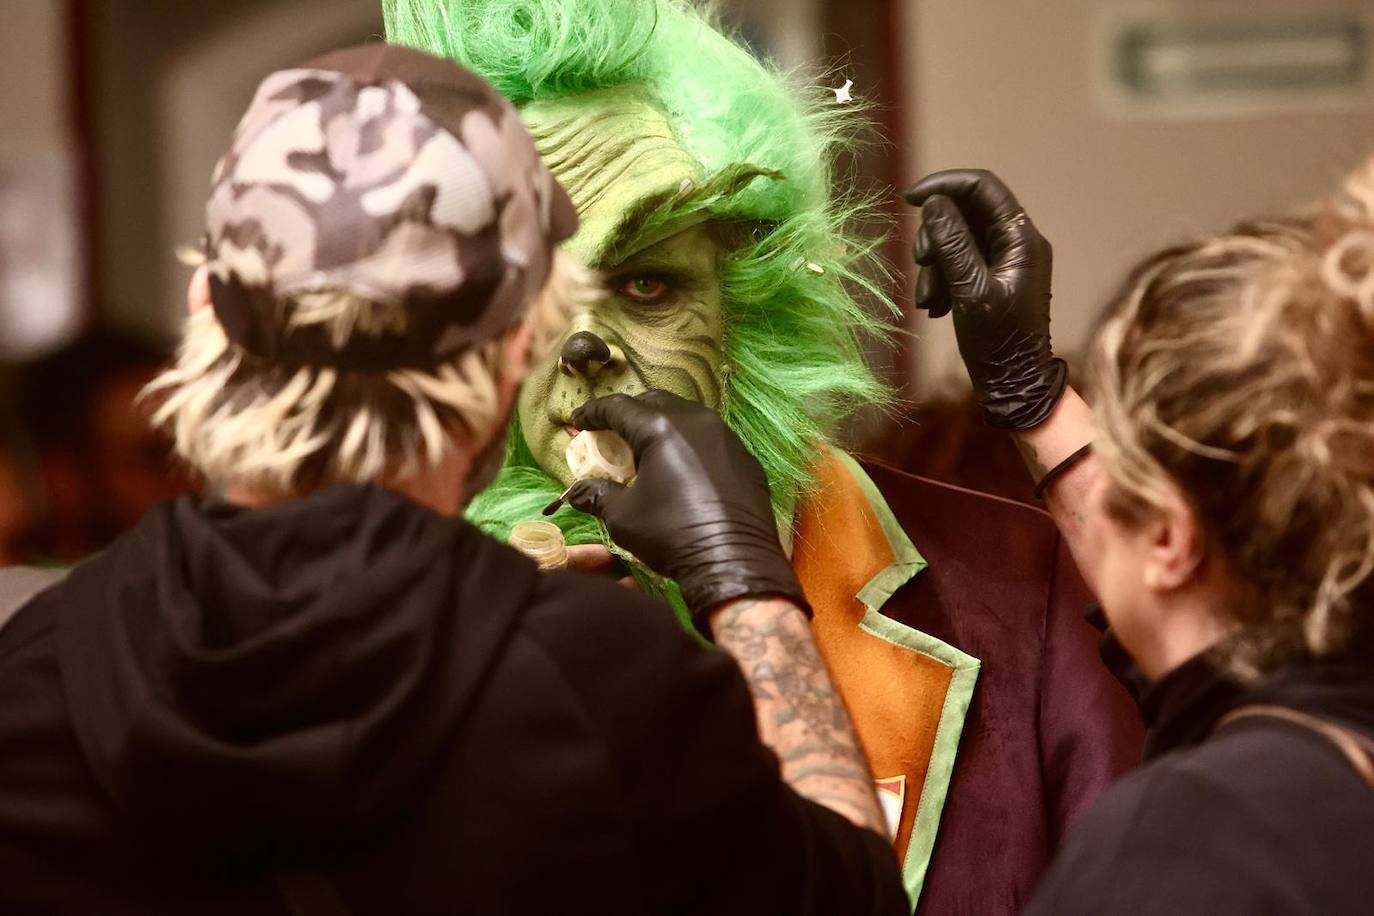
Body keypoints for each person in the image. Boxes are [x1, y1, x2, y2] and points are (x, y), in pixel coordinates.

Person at [0, 44, 908, 914]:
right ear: (516, 346)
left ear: (209, 314)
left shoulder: (34, 674)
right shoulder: (600, 681)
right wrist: (745, 586)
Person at [384, 2, 1142, 910]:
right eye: (526, 292)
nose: (583, 345)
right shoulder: (377, 633)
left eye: (647, 283)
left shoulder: (1010, 587)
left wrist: (1041, 403)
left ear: (748, 306)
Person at [909, 161, 1374, 913]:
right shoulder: (1331, 743)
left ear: (1168, 536)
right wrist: (1034, 396)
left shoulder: (1193, 841)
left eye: (1117, 453)